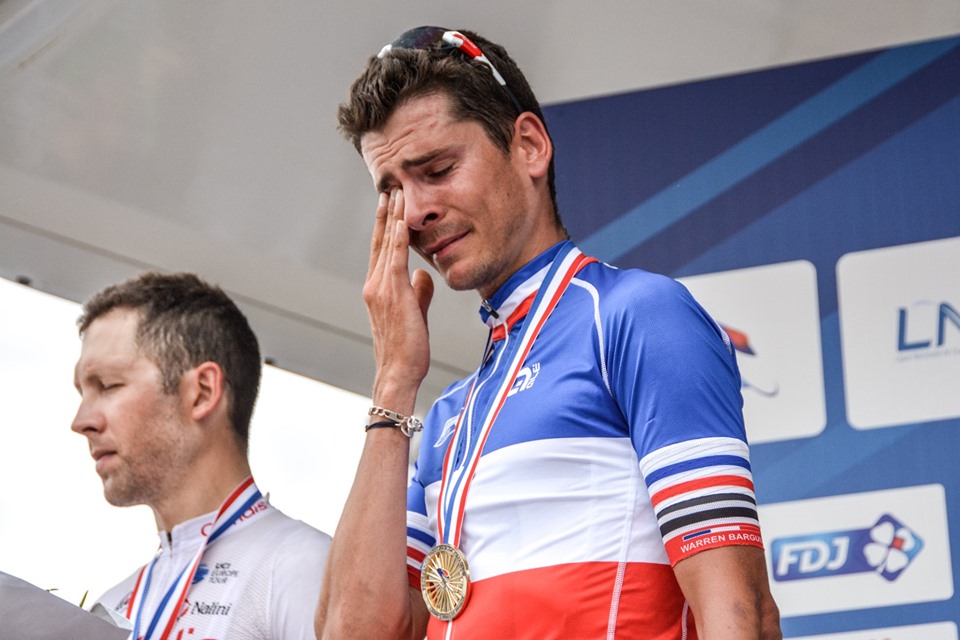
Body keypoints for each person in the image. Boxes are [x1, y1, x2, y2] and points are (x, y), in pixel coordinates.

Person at [317, 26, 781, 640]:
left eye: (438, 169)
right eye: (393, 191)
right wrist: (394, 382)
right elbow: (356, 634)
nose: (417, 211)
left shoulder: (637, 317)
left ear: (530, 146)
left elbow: (741, 614)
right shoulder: (448, 418)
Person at [72, 272, 331, 640]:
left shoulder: (300, 567)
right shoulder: (111, 606)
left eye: (108, 386)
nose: (81, 421)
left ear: (203, 392)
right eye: (82, 393)